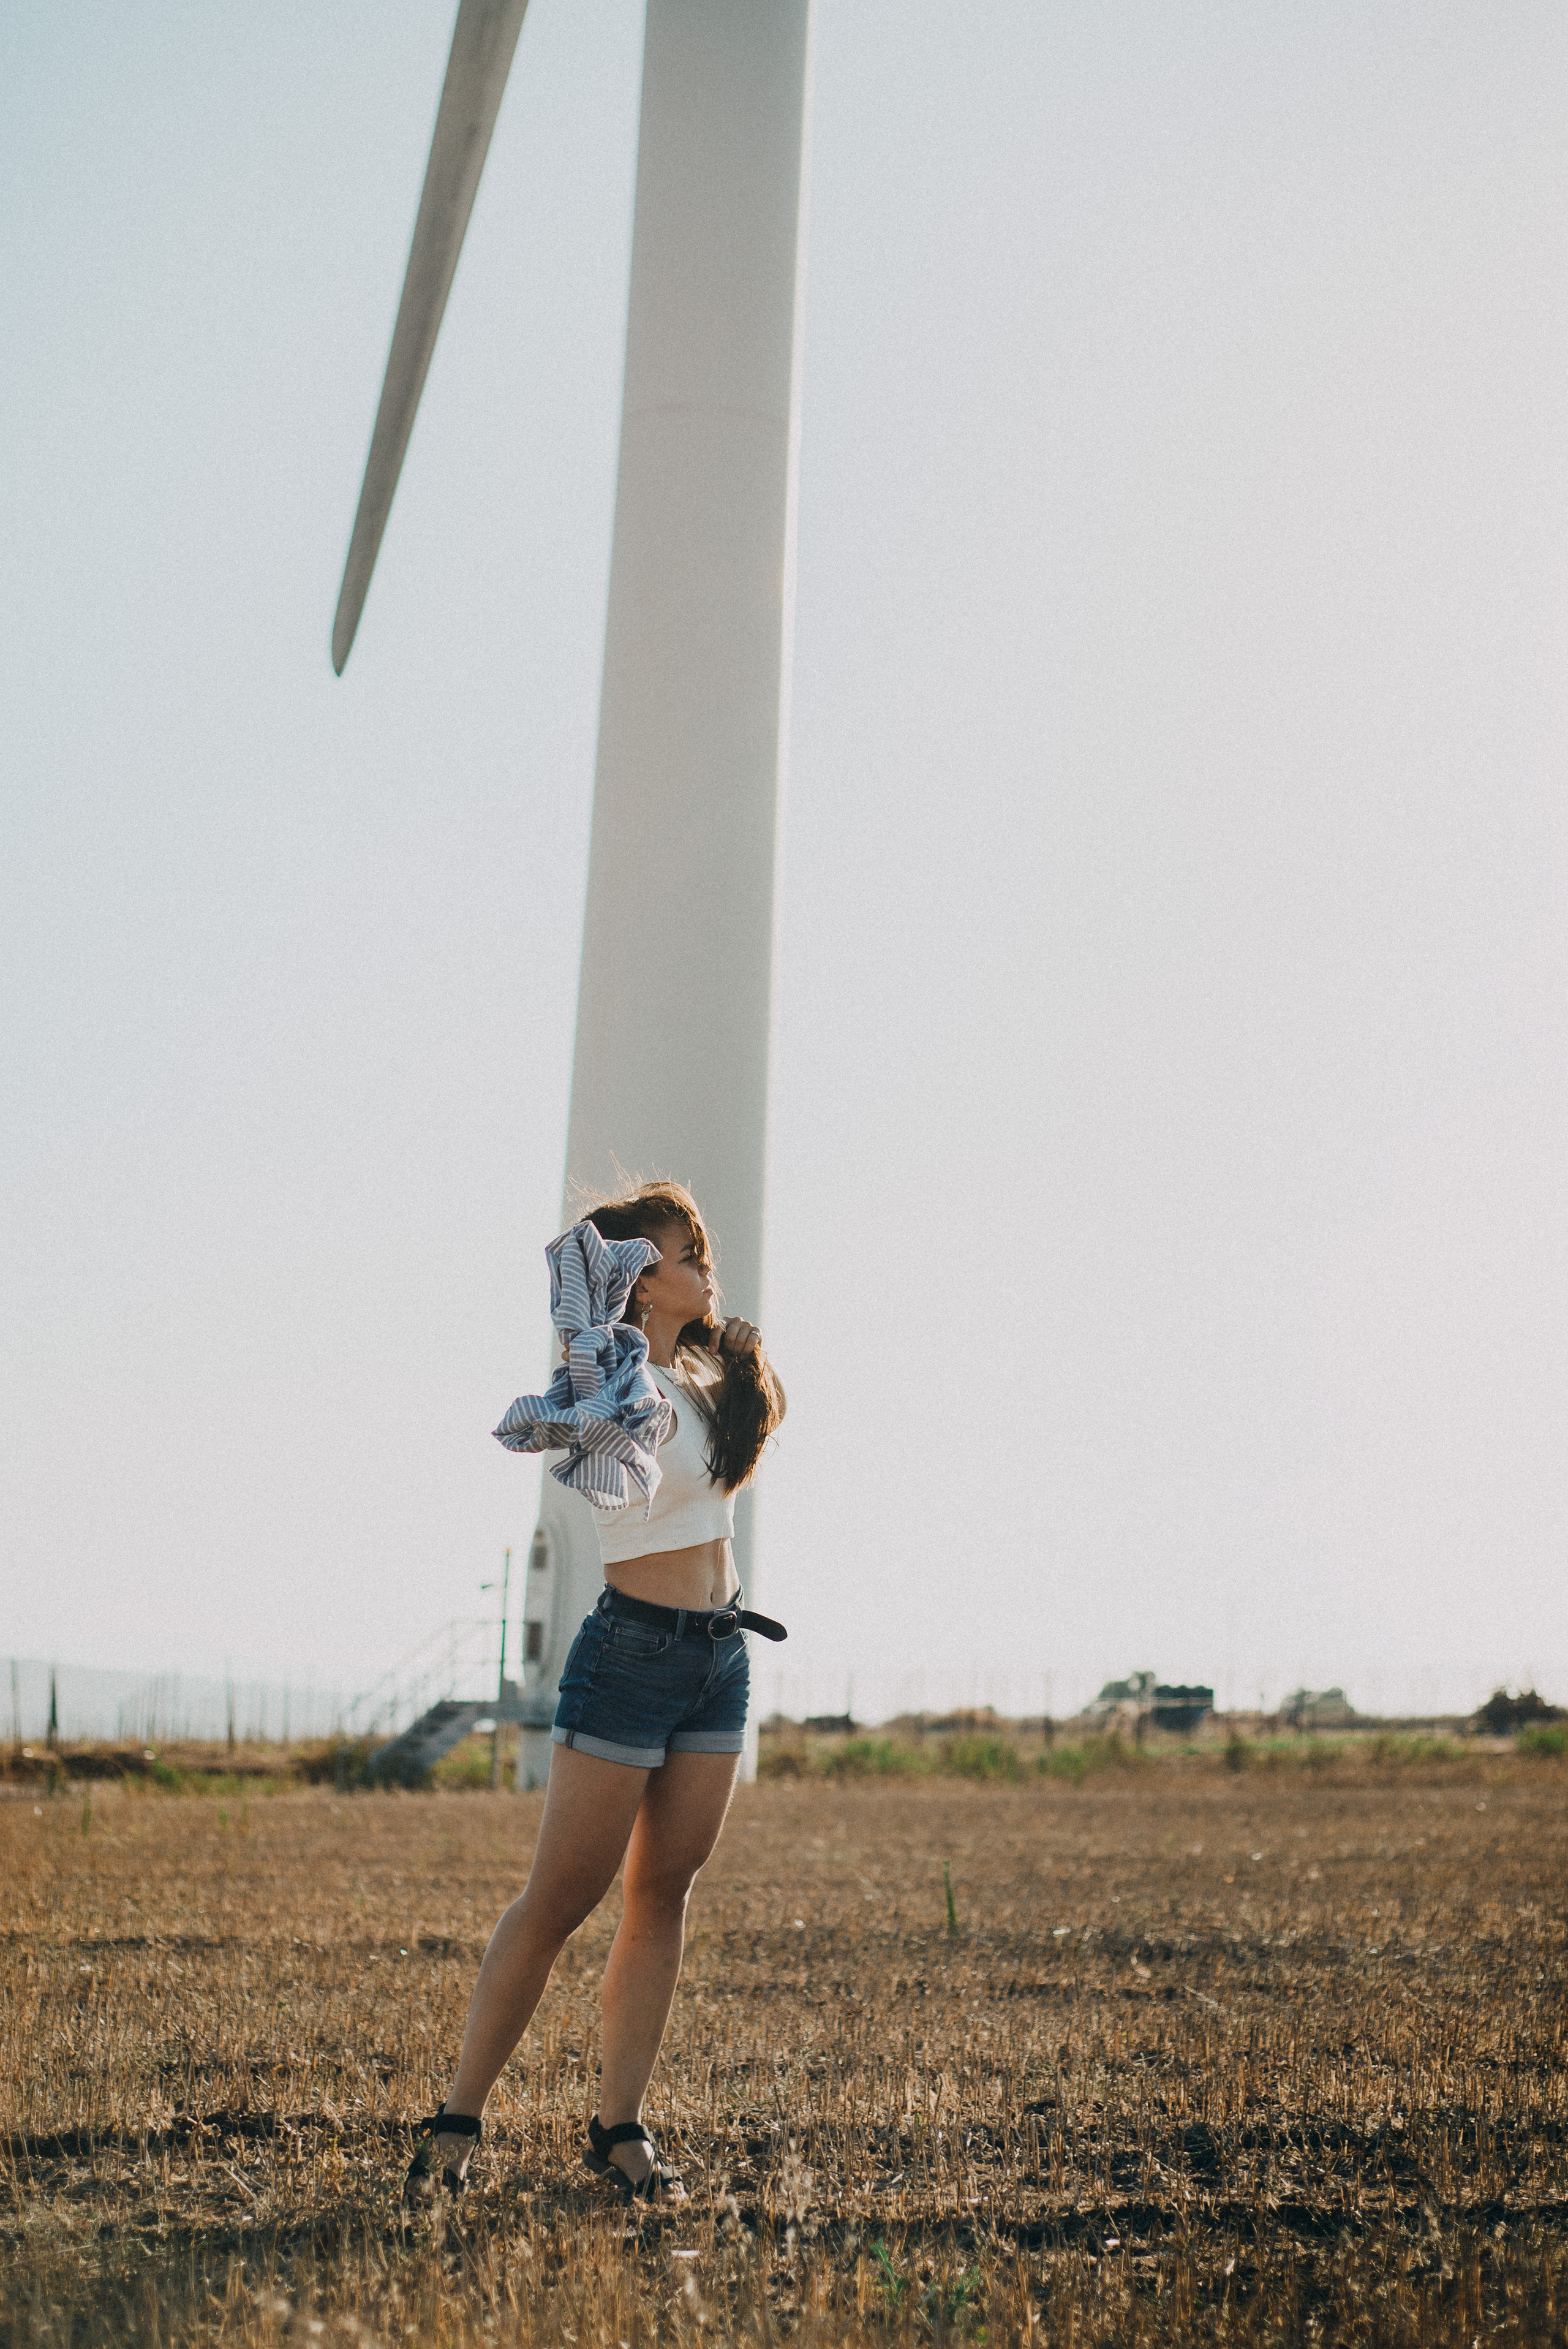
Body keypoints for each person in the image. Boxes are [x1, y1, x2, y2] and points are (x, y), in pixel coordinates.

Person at [403, 1180, 786, 2208]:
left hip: (719, 1659)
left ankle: (619, 2129)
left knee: (663, 1893)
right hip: (629, 1658)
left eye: (702, 1247)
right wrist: (598, 1321)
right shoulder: (615, 1389)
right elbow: (594, 1436)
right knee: (560, 1901)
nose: (707, 1263)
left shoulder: (703, 1385)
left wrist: (729, 1349)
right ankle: (454, 2121)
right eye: (684, 1250)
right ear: (638, 1279)